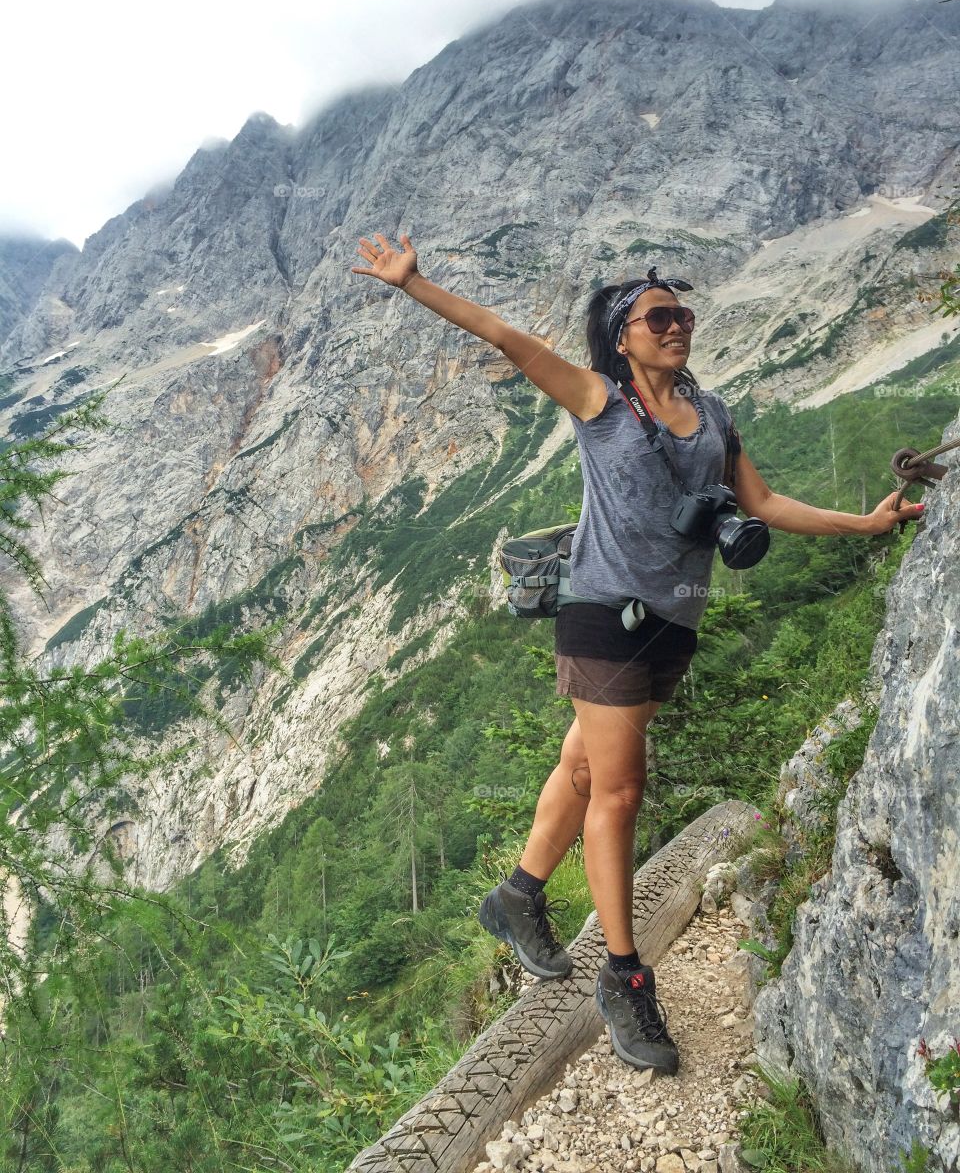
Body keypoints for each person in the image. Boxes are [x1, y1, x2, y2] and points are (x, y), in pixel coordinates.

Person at [351, 230, 925, 1075]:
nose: (677, 324)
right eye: (660, 315)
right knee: (619, 789)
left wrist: (864, 523)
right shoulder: (599, 402)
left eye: (683, 313)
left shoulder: (715, 416)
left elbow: (760, 502)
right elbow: (509, 339)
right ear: (624, 334)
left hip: (673, 623)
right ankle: (623, 975)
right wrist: (416, 285)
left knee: (583, 765)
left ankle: (516, 895)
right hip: (600, 616)